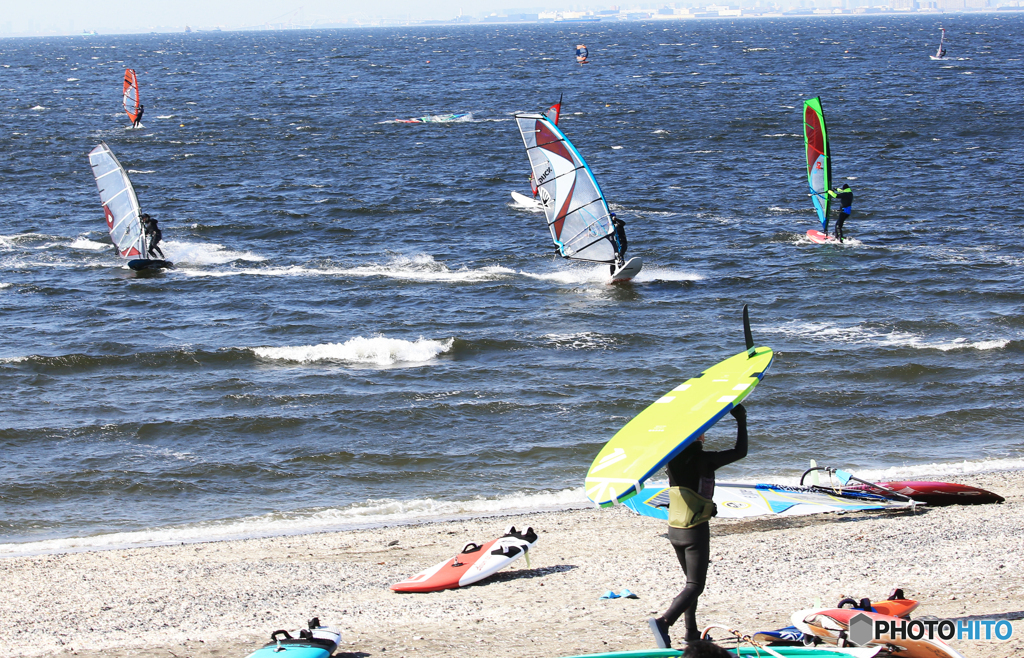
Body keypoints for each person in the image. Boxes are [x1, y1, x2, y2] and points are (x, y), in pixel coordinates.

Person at [648, 404, 748, 648]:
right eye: (702, 431)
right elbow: (740, 451)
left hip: (674, 529)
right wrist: (741, 420)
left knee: (689, 585)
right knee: (695, 585)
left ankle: (691, 632)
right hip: (695, 529)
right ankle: (664, 621)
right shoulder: (704, 460)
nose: (705, 433)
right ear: (697, 436)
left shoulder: (670, 459)